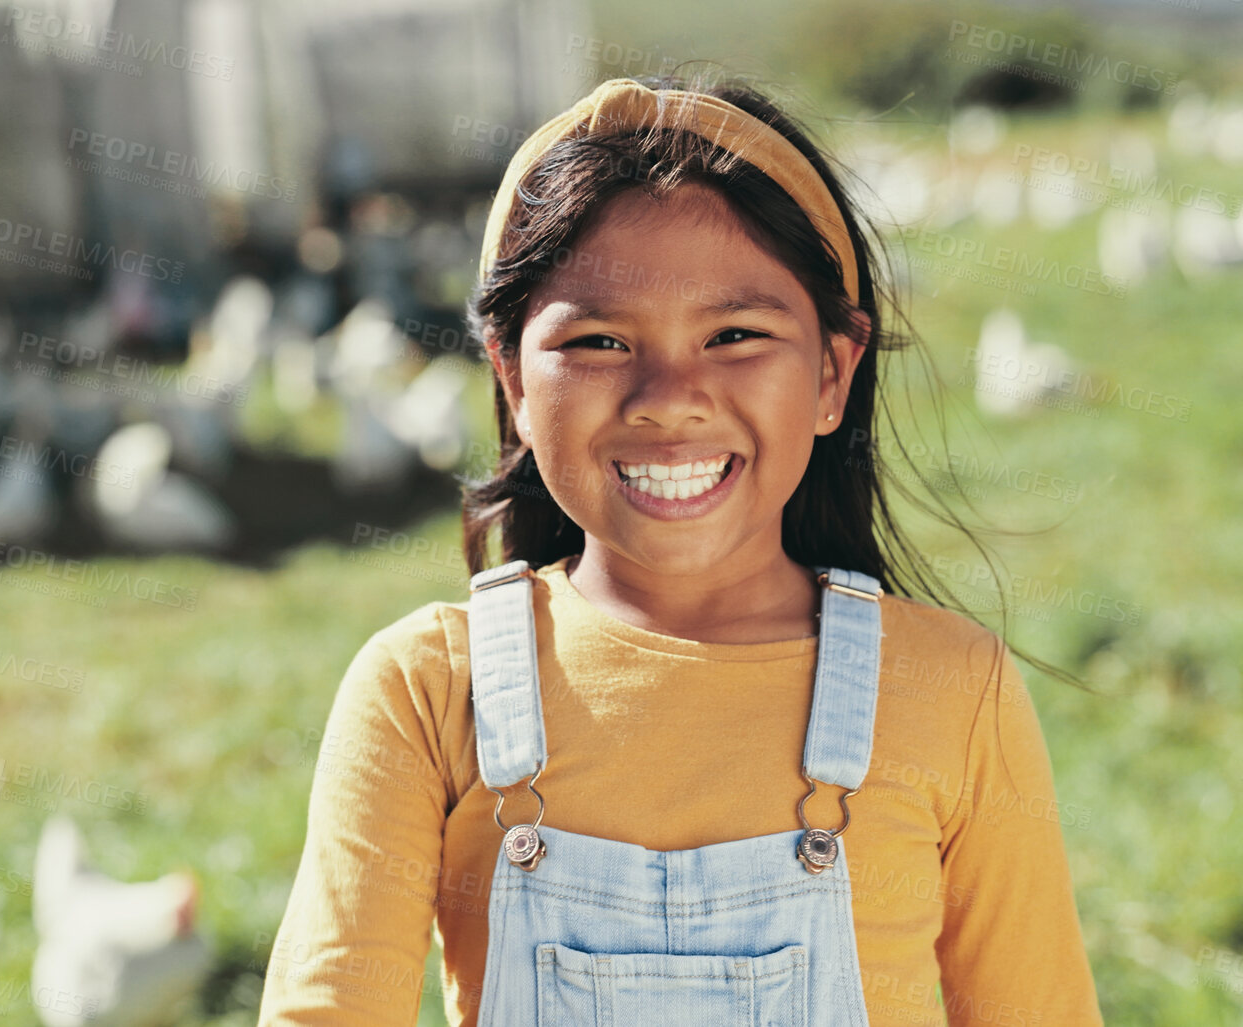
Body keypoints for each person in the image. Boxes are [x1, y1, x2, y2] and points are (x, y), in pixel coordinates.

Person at [258, 71, 1103, 1026]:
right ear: (512, 382)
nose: (669, 394)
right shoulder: (423, 693)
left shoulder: (956, 693)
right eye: (603, 343)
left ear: (832, 373)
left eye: (735, 334)